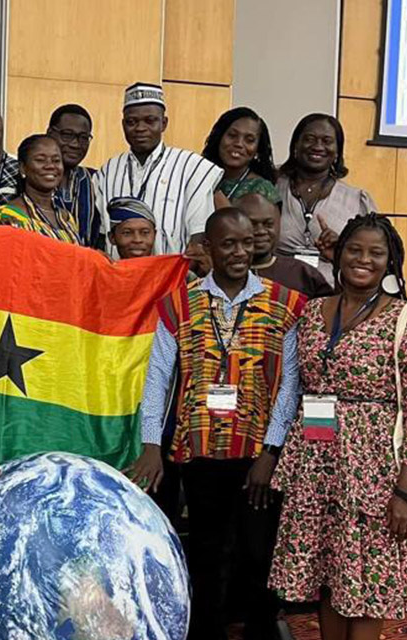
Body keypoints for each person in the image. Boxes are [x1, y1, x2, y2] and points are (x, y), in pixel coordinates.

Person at [129, 208, 305, 640]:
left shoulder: (284, 304)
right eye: (229, 244)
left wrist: (272, 451)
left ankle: (262, 630)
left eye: (247, 243)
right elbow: (157, 380)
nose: (241, 252)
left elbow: (289, 386)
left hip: (258, 454)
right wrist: (152, 444)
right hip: (200, 449)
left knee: (258, 554)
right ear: (208, 248)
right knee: (208, 552)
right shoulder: (178, 304)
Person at [269, 213, 407, 640]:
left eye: (375, 252)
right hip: (318, 461)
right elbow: (297, 389)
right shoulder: (312, 313)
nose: (363, 259)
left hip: (374, 472)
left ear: (390, 262)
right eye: (354, 249)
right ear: (339, 253)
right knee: (329, 574)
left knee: (368, 583)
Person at [95, 82, 223, 259]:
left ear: (163, 123)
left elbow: (199, 234)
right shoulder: (107, 171)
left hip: (171, 280)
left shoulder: (192, 167)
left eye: (150, 120)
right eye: (132, 122)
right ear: (123, 124)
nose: (140, 128)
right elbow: (102, 234)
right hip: (119, 279)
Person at [275, 113, 377, 285]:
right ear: (295, 145)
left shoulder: (357, 200)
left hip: (331, 296)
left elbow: (374, 255)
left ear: (337, 151)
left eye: (327, 141)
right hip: (275, 294)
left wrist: (342, 248)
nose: (318, 146)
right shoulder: (272, 185)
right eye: (310, 139)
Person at [236, 192, 333, 299]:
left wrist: (337, 261)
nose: (261, 231)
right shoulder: (224, 273)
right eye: (252, 224)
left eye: (268, 224)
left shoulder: (302, 273)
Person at [0, 134, 80, 244]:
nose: (50, 166)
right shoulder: (7, 215)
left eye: (56, 160)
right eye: (40, 160)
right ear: (23, 168)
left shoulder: (67, 218)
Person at [202, 107, 280, 205]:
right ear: (219, 138)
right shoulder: (201, 177)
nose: (238, 143)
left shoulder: (263, 189)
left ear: (257, 150)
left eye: (249, 140)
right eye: (232, 135)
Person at [47, 103, 100, 247]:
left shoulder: (94, 180)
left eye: (83, 137)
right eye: (67, 135)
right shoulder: (31, 178)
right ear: (50, 133)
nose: (75, 144)